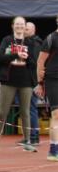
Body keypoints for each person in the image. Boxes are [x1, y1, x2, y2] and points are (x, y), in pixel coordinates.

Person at [0, 16, 38, 153]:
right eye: (17, 24)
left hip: (25, 81)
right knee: (3, 111)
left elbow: (34, 63)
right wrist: (15, 55)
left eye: (22, 24)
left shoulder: (30, 42)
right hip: (8, 80)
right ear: (12, 26)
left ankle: (27, 141)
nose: (19, 27)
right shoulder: (7, 40)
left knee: (25, 112)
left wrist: (27, 59)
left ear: (25, 27)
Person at [37, 17, 58, 160]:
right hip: (53, 80)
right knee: (56, 115)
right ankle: (53, 149)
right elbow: (40, 61)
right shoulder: (50, 39)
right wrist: (40, 82)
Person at [23, 21, 43, 146]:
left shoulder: (35, 44)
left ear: (33, 30)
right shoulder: (26, 43)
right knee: (27, 109)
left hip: (32, 81)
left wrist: (24, 58)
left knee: (31, 109)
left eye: (27, 29)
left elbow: (36, 63)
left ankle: (34, 137)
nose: (24, 31)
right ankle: (29, 136)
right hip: (26, 81)